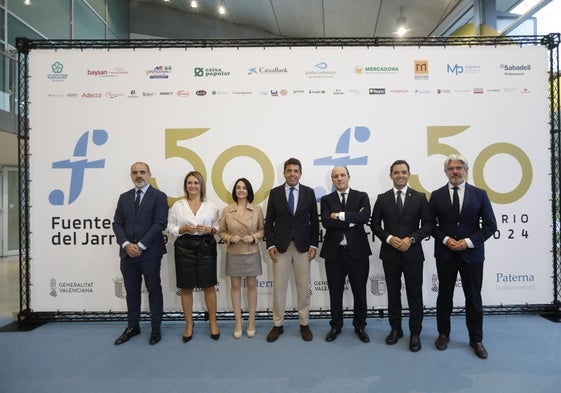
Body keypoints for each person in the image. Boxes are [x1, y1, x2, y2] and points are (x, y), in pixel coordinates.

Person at [429, 154, 497, 359]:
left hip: (472, 255)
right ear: (446, 172)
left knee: (474, 298)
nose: (455, 172)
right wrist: (446, 240)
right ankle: (443, 334)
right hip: (445, 254)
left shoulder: (480, 194)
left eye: (459, 168)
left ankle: (476, 339)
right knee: (444, 297)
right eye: (451, 169)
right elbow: (430, 226)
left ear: (466, 170)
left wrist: (467, 242)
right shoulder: (436, 195)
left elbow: (490, 226)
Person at [370, 160, 432, 352]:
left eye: (404, 172)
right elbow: (375, 225)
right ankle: (396, 329)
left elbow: (428, 225)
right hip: (390, 254)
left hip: (413, 254)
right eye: (396, 173)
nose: (400, 175)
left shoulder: (420, 198)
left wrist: (411, 239)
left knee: (415, 295)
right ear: (391, 176)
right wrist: (389, 238)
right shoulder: (382, 198)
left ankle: (415, 333)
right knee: (393, 293)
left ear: (409, 174)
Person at [112, 161, 168, 346]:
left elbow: (160, 223)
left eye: (142, 172)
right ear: (131, 175)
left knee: (154, 290)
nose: (139, 175)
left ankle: (155, 328)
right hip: (127, 254)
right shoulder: (124, 197)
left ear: (149, 174)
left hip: (150, 253)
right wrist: (127, 244)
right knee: (132, 292)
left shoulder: (159, 196)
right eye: (135, 172)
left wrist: (141, 245)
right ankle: (133, 327)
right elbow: (117, 223)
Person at [264, 157, 319, 342]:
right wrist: (270, 244)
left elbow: (314, 222)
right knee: (279, 287)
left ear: (300, 173)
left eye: (296, 171)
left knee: (303, 287)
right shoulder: (275, 193)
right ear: (284, 173)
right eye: (289, 171)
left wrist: (314, 244)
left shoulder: (309, 193)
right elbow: (269, 221)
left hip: (303, 247)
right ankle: (277, 325)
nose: (292, 174)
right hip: (281, 247)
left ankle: (304, 323)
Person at [320, 166, 372, 343]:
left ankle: (360, 326)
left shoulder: (361, 196)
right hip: (334, 254)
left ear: (349, 176)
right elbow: (327, 222)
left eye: (342, 175)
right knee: (335, 292)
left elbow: (365, 218)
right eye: (336, 176)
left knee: (360, 291)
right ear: (332, 180)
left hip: (357, 253)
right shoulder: (327, 199)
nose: (339, 178)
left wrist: (339, 216)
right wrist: (352, 220)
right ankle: (336, 325)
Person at [167, 170, 220, 342]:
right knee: (186, 287)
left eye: (196, 183)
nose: (192, 186)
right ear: (186, 186)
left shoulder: (211, 205)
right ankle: (189, 324)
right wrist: (182, 229)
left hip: (206, 246)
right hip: (184, 247)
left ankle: (213, 322)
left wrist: (210, 230)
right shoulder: (178, 206)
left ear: (201, 185)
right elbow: (171, 227)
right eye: (189, 183)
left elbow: (218, 227)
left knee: (209, 286)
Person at [218, 178, 264, 339]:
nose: (241, 190)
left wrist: (253, 237)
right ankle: (238, 322)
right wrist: (230, 238)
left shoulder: (257, 209)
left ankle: (251, 321)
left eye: (244, 187)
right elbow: (221, 231)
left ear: (249, 190)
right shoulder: (226, 210)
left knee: (252, 285)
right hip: (234, 252)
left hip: (251, 251)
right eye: (238, 187)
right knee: (235, 286)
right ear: (235, 191)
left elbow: (262, 230)